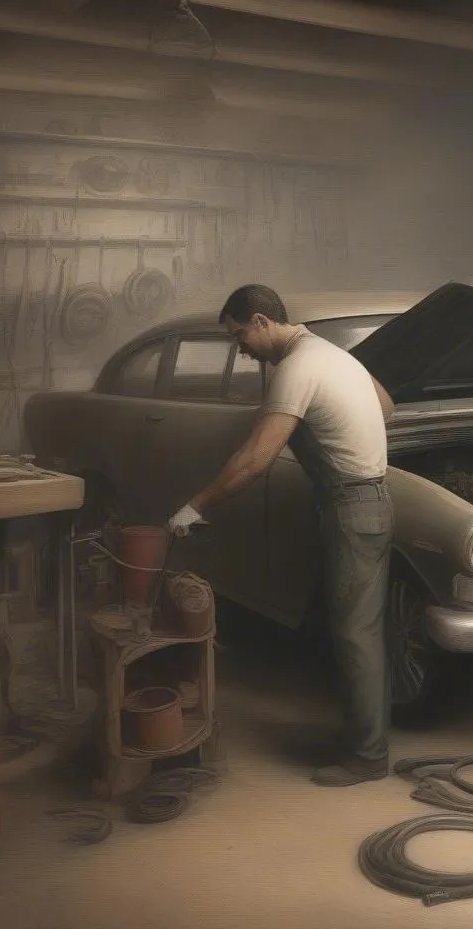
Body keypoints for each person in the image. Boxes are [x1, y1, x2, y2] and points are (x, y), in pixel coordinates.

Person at [168, 284, 396, 787]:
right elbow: (385, 404)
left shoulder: (297, 367)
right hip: (368, 500)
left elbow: (254, 461)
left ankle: (368, 759)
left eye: (238, 336)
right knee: (359, 629)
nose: (240, 349)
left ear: (260, 322)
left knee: (357, 636)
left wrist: (194, 506)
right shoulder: (331, 355)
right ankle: (366, 738)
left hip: (351, 503)